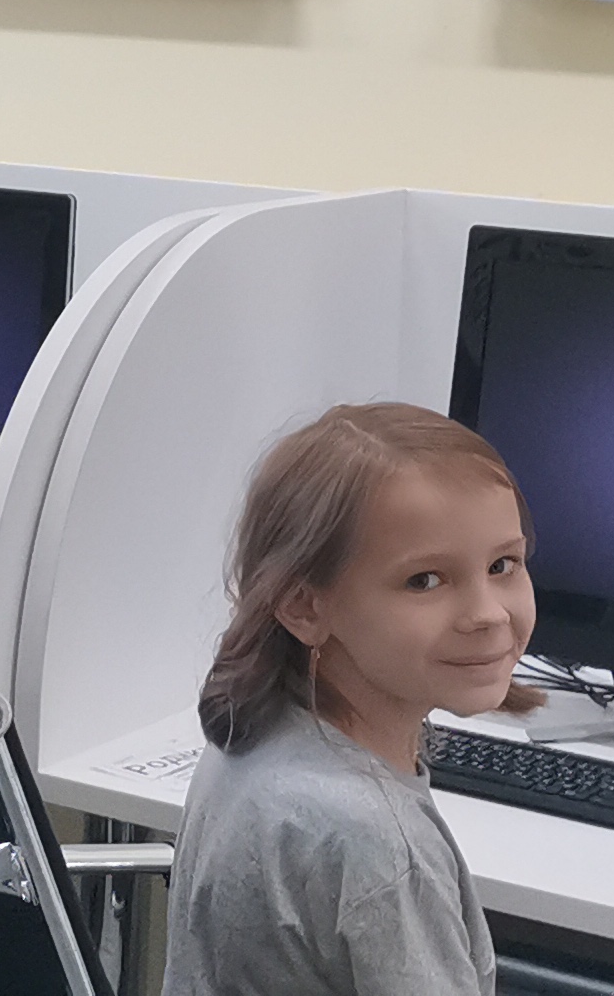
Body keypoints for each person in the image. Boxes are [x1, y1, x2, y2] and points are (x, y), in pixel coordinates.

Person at [161, 404, 541, 996]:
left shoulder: (256, 728)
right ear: (304, 607)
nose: (488, 613)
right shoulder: (380, 845)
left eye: (502, 564)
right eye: (425, 580)